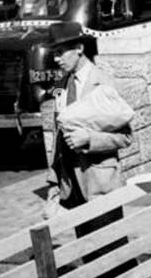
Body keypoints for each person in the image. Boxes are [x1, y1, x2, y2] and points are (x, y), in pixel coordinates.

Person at [46, 22, 132, 215]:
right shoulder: (60, 86)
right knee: (84, 245)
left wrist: (89, 139)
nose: (56, 59)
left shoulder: (104, 82)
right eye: (54, 54)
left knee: (111, 243)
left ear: (79, 48)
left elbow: (125, 136)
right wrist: (53, 182)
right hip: (71, 187)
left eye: (60, 52)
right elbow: (56, 135)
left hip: (99, 185)